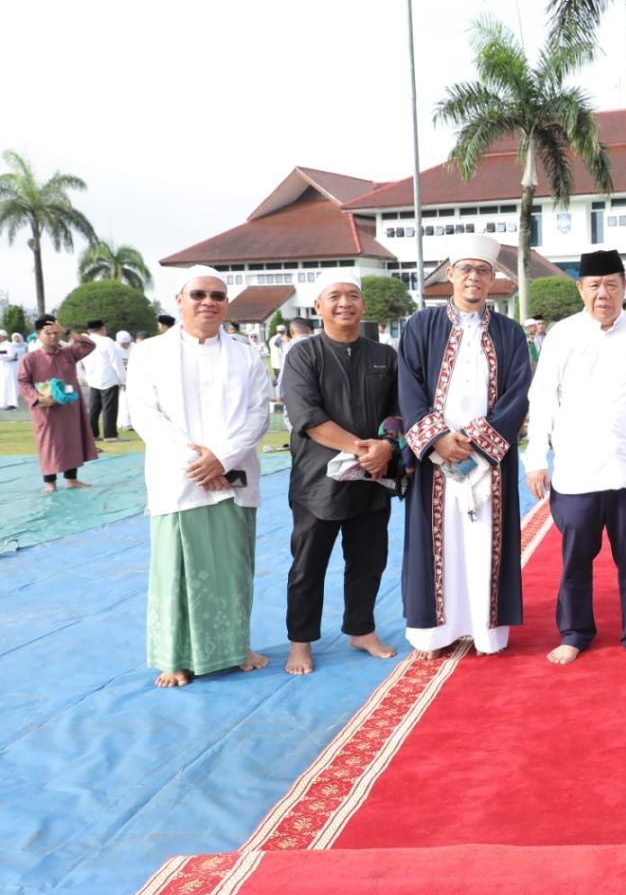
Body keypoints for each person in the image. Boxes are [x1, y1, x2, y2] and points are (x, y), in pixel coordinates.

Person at [524, 249, 626, 665]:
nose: (603, 294)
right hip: (577, 472)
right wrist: (536, 457)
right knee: (575, 559)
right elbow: (542, 399)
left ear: (624, 288)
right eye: (594, 286)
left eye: (611, 284)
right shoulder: (562, 335)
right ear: (581, 289)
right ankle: (574, 632)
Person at [127, 266, 273, 687]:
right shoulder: (149, 352)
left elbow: (258, 413)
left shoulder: (246, 353)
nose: (208, 302)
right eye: (199, 294)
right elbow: (145, 415)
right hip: (178, 478)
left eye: (217, 295)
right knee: (176, 567)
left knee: (233, 565)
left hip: (232, 474)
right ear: (179, 299)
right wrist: (197, 462)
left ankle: (235, 648)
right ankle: (175, 657)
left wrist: (222, 459)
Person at [399, 236, 532, 659]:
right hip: (435, 460)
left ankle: (484, 631)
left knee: (483, 542)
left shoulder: (509, 333)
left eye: (482, 270)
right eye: (465, 269)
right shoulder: (421, 326)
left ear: (493, 278)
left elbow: (518, 393)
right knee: (436, 545)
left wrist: (476, 443)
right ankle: (434, 634)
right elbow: (408, 386)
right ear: (451, 275)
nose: (473, 277)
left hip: (487, 461)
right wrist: (437, 438)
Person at [282, 272, 401, 675]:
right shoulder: (303, 354)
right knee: (308, 564)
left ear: (363, 305)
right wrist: (361, 447)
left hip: (373, 476)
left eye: (352, 296)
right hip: (319, 482)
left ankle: (360, 629)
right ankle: (301, 642)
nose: (344, 303)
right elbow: (308, 418)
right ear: (318, 306)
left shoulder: (384, 354)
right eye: (334, 296)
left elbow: (398, 410)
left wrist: (386, 444)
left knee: (369, 560)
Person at [18, 315, 98, 492]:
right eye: (48, 333)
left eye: (56, 333)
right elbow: (23, 382)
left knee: (72, 440)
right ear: (38, 335)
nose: (53, 336)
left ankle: (71, 479)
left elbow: (89, 345)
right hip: (46, 409)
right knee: (48, 443)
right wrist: (38, 398)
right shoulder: (30, 359)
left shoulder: (68, 353)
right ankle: (50, 483)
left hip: (69, 407)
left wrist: (67, 331)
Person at [79, 319, 127, 442]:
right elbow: (116, 362)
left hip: (92, 378)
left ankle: (92, 434)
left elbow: (80, 362)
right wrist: (123, 379)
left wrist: (84, 377)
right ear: (102, 329)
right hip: (108, 378)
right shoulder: (107, 341)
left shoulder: (85, 342)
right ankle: (110, 435)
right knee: (109, 408)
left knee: (94, 408)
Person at [0, 330, 23, 409]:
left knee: (11, 384)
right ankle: (3, 403)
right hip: (3, 367)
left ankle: (12, 403)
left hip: (10, 367)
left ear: (2, 337)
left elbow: (11, 355)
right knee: (3, 384)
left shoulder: (9, 345)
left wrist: (1, 354)